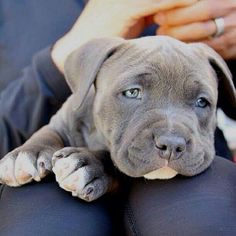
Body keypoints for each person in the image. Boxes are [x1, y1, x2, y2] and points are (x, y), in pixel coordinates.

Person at [0, 0, 236, 235]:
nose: (171, 138)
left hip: (196, 184)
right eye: (133, 92)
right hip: (55, 185)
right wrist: (56, 62)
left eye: (200, 102)